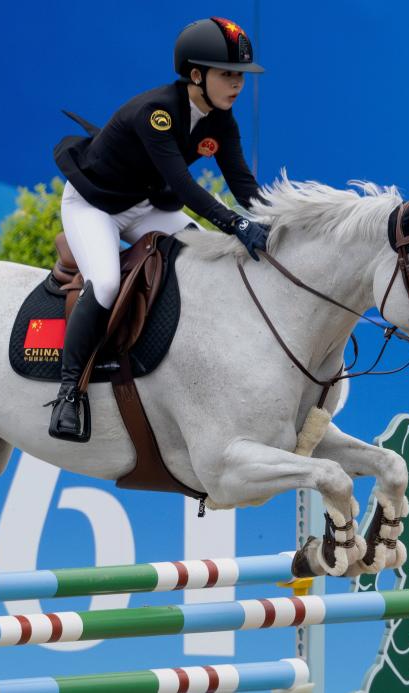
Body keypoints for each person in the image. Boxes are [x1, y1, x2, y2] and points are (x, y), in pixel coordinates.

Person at [49, 17, 270, 442]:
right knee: (106, 284)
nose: (237, 84)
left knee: (199, 258)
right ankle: (69, 394)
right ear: (196, 75)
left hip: (145, 206)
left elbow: (243, 183)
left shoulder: (222, 120)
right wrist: (235, 224)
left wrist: (276, 220)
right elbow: (184, 185)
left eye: (241, 76)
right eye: (227, 74)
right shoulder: (159, 113)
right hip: (95, 206)